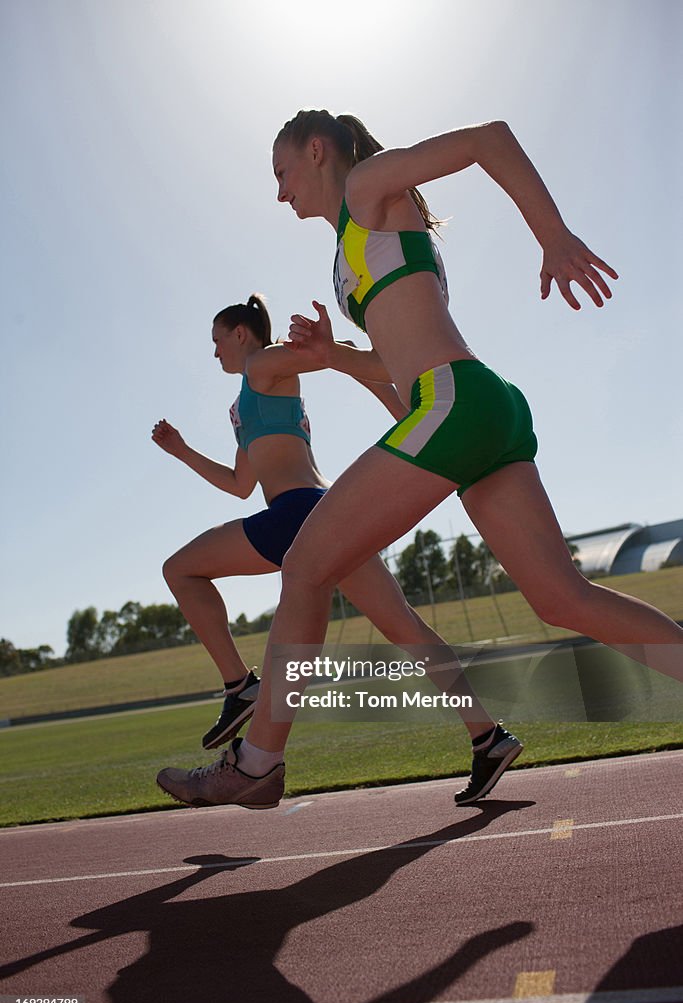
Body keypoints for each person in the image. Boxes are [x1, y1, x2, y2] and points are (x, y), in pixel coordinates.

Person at [160, 111, 683, 812]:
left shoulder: (365, 187)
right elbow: (394, 363)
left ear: (317, 152)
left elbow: (487, 138)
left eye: (281, 173)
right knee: (562, 599)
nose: (279, 193)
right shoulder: (354, 243)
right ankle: (261, 761)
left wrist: (552, 237)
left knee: (308, 563)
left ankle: (256, 762)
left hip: (454, 401)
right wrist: (332, 358)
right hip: (476, 408)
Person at [156, 293, 516, 804]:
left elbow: (334, 353)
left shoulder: (262, 364)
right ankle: (489, 737)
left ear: (240, 334)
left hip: (296, 513)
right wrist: (183, 451)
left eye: (217, 340)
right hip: (321, 513)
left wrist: (402, 406)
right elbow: (240, 484)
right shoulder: (244, 400)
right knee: (405, 628)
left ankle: (240, 686)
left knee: (181, 570)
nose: (214, 352)